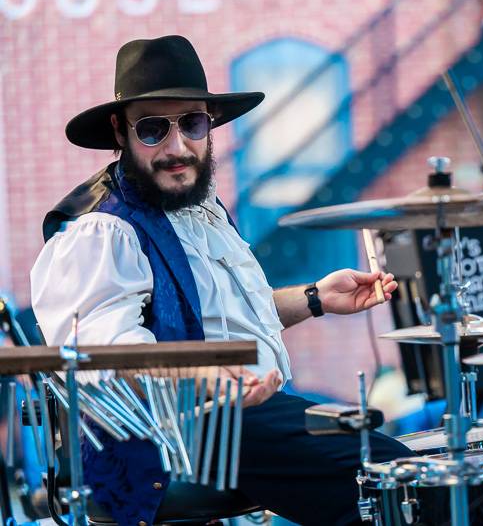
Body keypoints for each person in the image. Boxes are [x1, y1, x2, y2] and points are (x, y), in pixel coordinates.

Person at [30, 35, 413, 526]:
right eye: (152, 129)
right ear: (119, 132)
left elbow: (214, 324)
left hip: (233, 423)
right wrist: (203, 376)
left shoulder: (199, 206)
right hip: (164, 445)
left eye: (191, 123)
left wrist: (315, 297)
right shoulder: (101, 230)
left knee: (385, 462)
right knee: (386, 473)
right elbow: (102, 357)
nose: (177, 147)